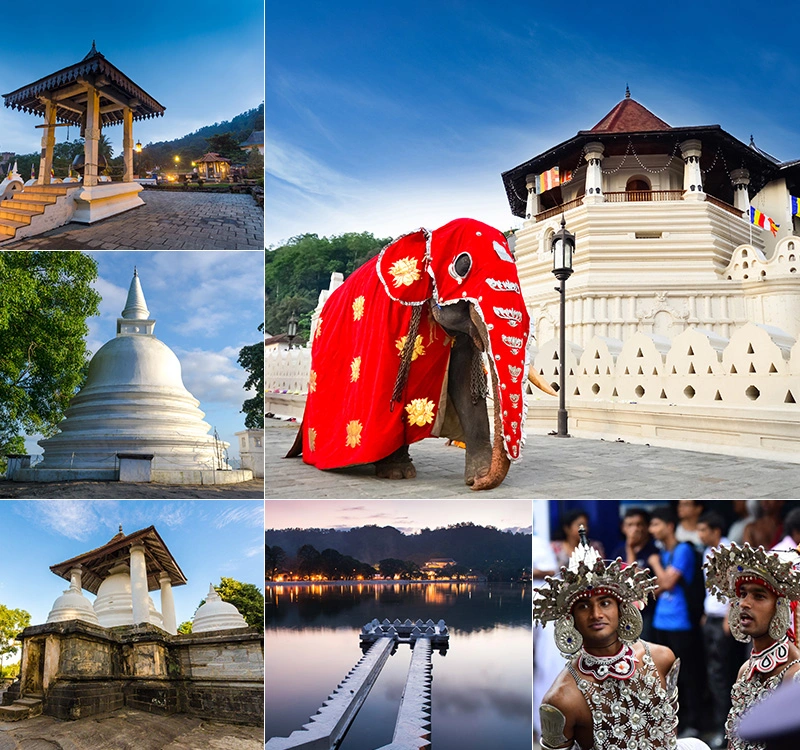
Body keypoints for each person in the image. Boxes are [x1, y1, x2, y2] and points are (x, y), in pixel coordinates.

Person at [533, 525, 709, 750]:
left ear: (621, 608)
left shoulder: (662, 658)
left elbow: (669, 733)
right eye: (584, 606)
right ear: (570, 618)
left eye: (605, 603)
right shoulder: (559, 699)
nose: (596, 614)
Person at [704, 541, 800, 750]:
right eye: (742, 594)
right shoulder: (745, 670)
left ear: (780, 607)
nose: (745, 603)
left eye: (759, 596)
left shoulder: (795, 674)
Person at [648, 506, 704, 737]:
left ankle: (693, 723)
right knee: (664, 677)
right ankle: (673, 723)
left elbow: (667, 584)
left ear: (670, 526)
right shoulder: (663, 553)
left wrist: (655, 564)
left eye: (656, 524)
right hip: (661, 623)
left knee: (687, 676)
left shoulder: (682, 551)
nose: (652, 529)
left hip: (681, 623)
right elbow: (655, 589)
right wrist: (662, 576)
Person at [696, 511, 744, 749]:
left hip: (724, 621)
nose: (700, 534)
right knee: (713, 676)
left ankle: (726, 732)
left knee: (722, 675)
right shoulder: (707, 552)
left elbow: (737, 585)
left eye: (704, 529)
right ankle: (721, 727)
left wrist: (729, 615)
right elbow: (712, 589)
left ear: (716, 531)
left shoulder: (728, 551)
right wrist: (707, 613)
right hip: (712, 619)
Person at [610, 507, 659, 640]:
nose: (635, 529)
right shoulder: (618, 552)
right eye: (630, 525)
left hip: (646, 613)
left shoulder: (653, 551)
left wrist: (630, 548)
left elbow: (634, 581)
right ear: (623, 528)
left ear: (646, 527)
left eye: (639, 524)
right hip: (622, 613)